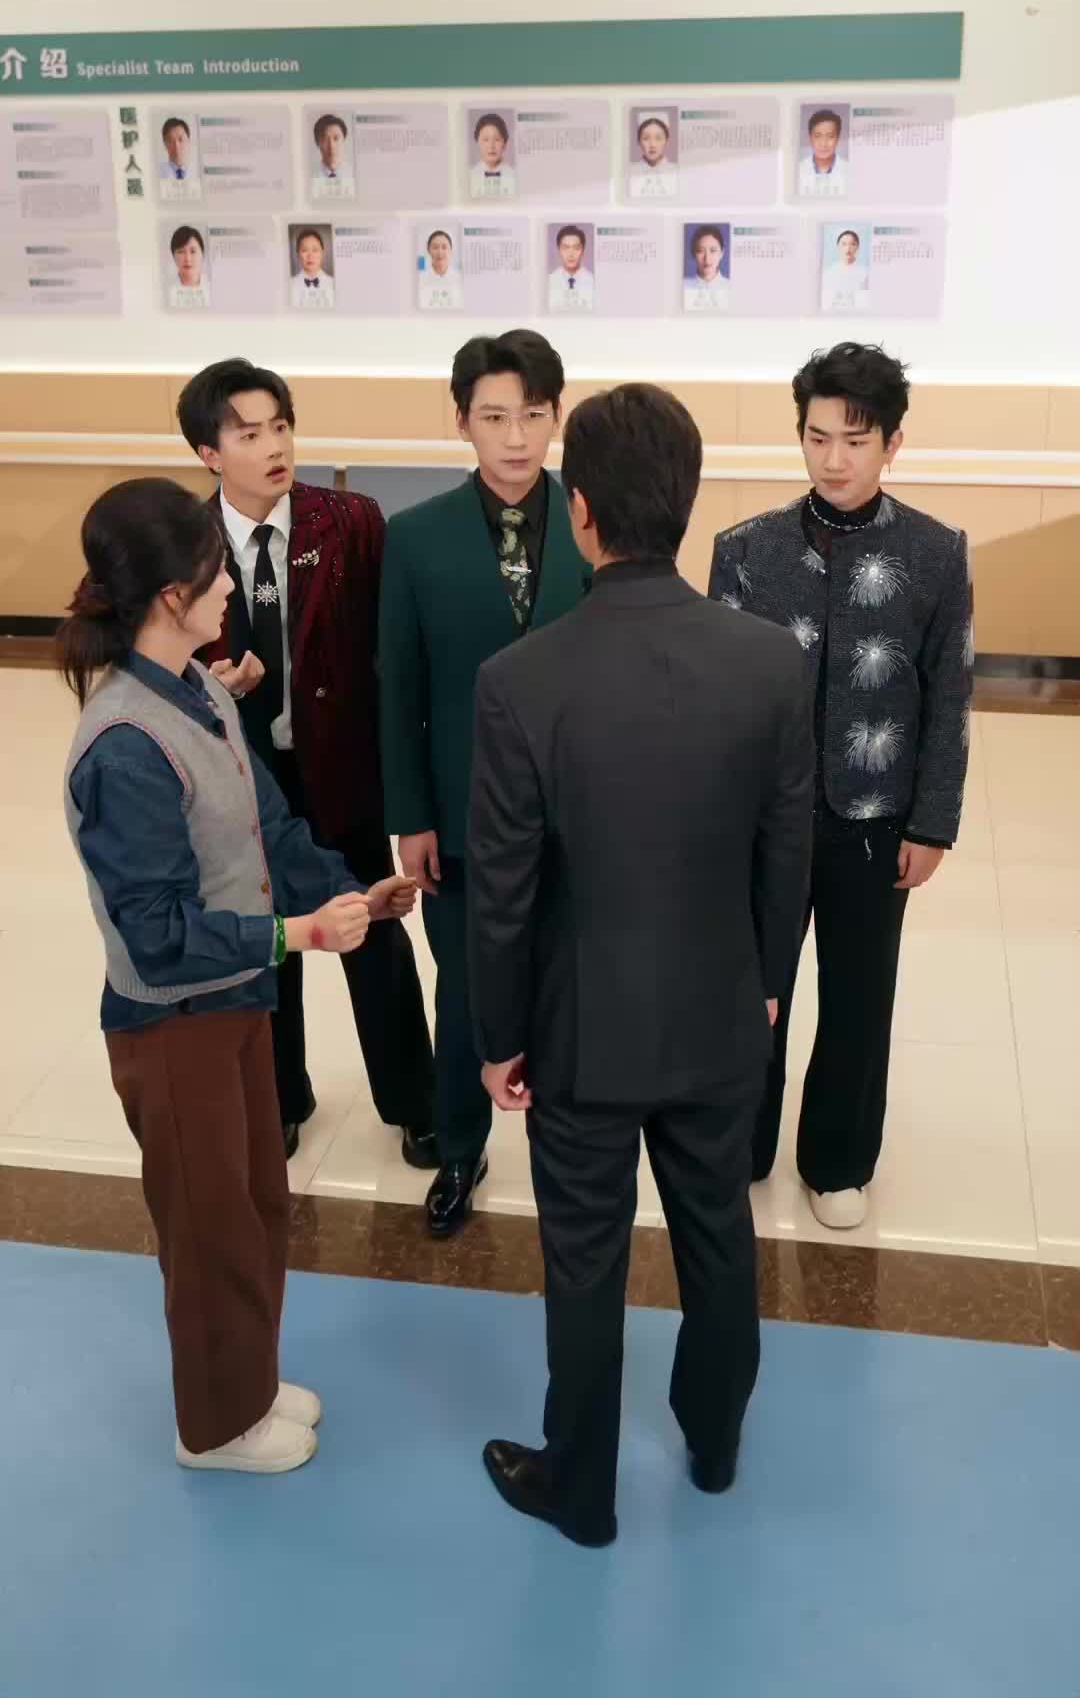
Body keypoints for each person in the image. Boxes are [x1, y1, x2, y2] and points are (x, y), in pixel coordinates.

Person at [468, 384, 814, 1547]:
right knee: (719, 1234)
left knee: (585, 1262)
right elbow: (787, 848)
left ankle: (582, 1489)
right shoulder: (769, 663)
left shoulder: (521, 680)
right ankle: (715, 1445)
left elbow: (504, 890)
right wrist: (767, 983)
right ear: (688, 500)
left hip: (580, 1029)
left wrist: (498, 1037)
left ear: (582, 510)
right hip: (723, 1009)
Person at [58, 477, 417, 1473]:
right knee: (210, 1229)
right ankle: (215, 1426)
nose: (232, 588)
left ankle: (248, 1380)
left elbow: (273, 827)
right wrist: (301, 933)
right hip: (173, 1030)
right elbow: (156, 936)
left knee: (256, 1203)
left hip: (237, 1006)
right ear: (172, 594)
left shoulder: (205, 687)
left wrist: (352, 893)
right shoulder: (123, 747)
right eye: (215, 573)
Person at [709, 343, 973, 1231]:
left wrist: (932, 823)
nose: (833, 459)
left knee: (860, 996)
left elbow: (950, 695)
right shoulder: (746, 550)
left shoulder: (935, 553)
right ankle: (740, 1146)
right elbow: (718, 700)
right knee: (753, 989)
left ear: (892, 443)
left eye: (856, 441)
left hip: (876, 819)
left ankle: (838, 1160)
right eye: (817, 437)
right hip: (763, 822)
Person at [179, 359, 437, 1167]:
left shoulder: (350, 521)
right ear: (209, 453)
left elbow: (394, 649)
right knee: (271, 941)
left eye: (281, 427)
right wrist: (206, 688)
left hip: (343, 770)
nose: (274, 447)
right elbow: (140, 654)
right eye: (249, 434)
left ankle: (415, 1102)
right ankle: (282, 1098)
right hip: (242, 784)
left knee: (375, 935)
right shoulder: (183, 540)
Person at [379, 330, 587, 1238]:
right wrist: (410, 815)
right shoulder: (415, 537)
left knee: (569, 983)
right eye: (494, 416)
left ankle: (567, 1148)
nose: (515, 437)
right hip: (460, 812)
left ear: (556, 417)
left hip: (578, 814)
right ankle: (460, 1149)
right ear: (460, 419)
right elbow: (399, 687)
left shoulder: (594, 521)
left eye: (533, 415)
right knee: (464, 990)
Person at [798, 108, 848, 198]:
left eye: (830, 136)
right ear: (810, 138)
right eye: (817, 136)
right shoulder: (798, 170)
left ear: (838, 138)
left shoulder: (850, 170)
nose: (823, 143)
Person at [547, 225, 595, 311]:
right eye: (565, 248)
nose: (571, 254)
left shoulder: (594, 282)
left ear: (583, 250)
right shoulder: (548, 281)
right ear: (559, 250)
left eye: (576, 248)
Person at [628, 113, 677, 198]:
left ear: (666, 140)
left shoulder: (677, 172)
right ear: (639, 141)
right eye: (646, 138)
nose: (652, 145)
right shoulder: (629, 172)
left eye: (658, 138)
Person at [683, 224, 729, 312]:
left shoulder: (730, 287)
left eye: (713, 250)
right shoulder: (684, 286)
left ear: (721, 253)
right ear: (693, 254)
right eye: (700, 251)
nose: (707, 258)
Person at [821, 229, 869, 312]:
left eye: (852, 244)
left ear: (857, 247)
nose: (848, 248)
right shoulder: (829, 273)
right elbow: (825, 303)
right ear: (838, 246)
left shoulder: (865, 273)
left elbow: (865, 303)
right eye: (844, 244)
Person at [470, 112, 516, 198]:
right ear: (477, 142)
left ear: (504, 143)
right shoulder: (470, 177)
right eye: (486, 140)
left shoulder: (514, 177)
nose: (491, 146)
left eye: (497, 139)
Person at [311, 112, 355, 201]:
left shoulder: (355, 176)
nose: (331, 146)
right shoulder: (309, 178)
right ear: (317, 143)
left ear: (344, 140)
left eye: (336, 138)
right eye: (325, 139)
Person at [418, 228, 464, 311]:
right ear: (428, 250)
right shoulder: (420, 279)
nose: (440, 252)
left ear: (450, 250)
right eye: (435, 247)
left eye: (444, 247)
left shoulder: (460, 279)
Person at [290, 228, 335, 309]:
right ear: (298, 254)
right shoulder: (290, 285)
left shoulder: (333, 284)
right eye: (304, 250)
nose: (310, 256)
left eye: (315, 250)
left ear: (322, 253)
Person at [168, 226, 209, 309]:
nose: (187, 258)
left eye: (193, 251)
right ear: (173, 256)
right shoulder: (166, 290)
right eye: (181, 252)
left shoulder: (211, 287)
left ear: (202, 254)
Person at [159, 117, 199, 200]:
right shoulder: (156, 175)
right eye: (171, 141)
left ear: (188, 140)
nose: (176, 146)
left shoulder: (199, 173)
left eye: (180, 139)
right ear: (165, 144)